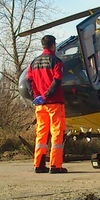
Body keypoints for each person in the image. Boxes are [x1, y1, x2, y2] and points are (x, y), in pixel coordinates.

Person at [27, 35, 67, 174]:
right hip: (54, 103)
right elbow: (56, 82)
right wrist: (45, 96)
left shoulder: (34, 62)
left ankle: (38, 165)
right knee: (56, 133)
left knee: (41, 134)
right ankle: (55, 165)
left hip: (40, 105)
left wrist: (37, 96)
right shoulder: (56, 61)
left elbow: (29, 81)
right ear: (53, 45)